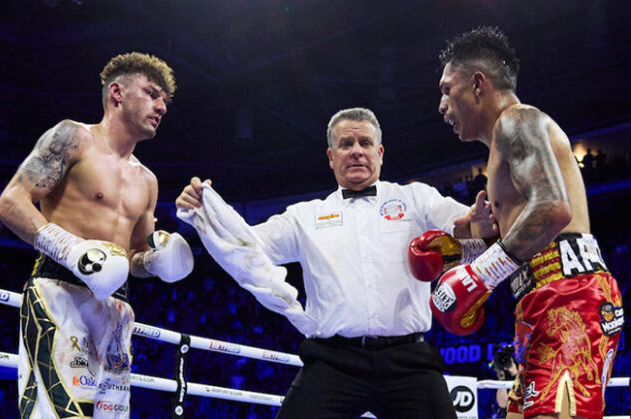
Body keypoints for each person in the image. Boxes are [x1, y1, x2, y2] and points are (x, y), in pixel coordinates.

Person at [176, 107, 497, 418]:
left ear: (380, 152)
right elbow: (248, 244)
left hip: (408, 362)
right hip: (333, 362)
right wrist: (205, 213)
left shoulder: (416, 199)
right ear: (331, 157)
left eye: (365, 143)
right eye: (346, 144)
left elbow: (460, 223)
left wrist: (476, 222)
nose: (356, 151)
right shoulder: (305, 216)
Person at [425, 26, 623, 419]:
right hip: (540, 300)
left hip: (569, 296)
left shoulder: (517, 121)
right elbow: (526, 237)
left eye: (448, 89)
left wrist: (481, 272)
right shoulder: (501, 148)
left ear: (477, 83)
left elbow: (553, 209)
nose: (441, 105)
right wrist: (468, 243)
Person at [0, 52, 194, 418]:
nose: (162, 106)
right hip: (59, 294)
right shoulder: (74, 138)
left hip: (116, 310)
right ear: (117, 93)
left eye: (164, 99)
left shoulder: (147, 180)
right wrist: (72, 250)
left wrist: (157, 260)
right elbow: (10, 203)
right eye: (152, 93)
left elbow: (133, 260)